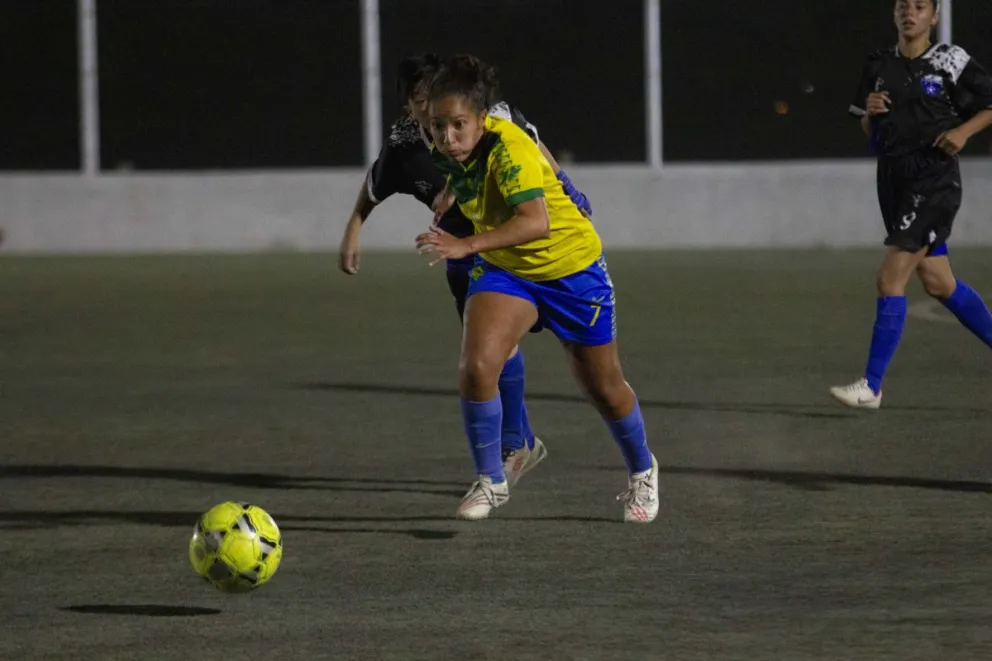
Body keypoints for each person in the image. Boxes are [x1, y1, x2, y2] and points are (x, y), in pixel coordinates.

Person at [416, 54, 658, 523]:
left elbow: (536, 221)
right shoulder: (451, 148)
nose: (447, 137)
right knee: (477, 364)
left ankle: (643, 469)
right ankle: (492, 480)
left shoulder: (509, 149)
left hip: (571, 270)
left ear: (481, 120)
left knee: (603, 387)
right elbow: (467, 173)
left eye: (458, 125)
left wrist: (467, 244)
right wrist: (449, 194)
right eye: (438, 126)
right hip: (509, 271)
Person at [338, 54, 592, 484]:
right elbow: (374, 183)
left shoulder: (484, 117)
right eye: (421, 99)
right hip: (460, 253)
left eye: (435, 93)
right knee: (491, 355)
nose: (432, 106)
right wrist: (354, 225)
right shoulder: (404, 141)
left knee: (527, 349)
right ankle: (518, 445)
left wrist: (567, 186)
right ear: (409, 106)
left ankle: (517, 446)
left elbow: (531, 143)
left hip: (506, 244)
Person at [830, 0, 992, 409]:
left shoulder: (950, 60)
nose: (910, 12)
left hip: (934, 179)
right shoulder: (878, 64)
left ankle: (872, 385)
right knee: (939, 283)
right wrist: (870, 113)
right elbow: (869, 129)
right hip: (893, 180)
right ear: (894, 14)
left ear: (933, 17)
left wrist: (963, 132)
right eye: (903, 5)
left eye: (920, 6)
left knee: (890, 278)